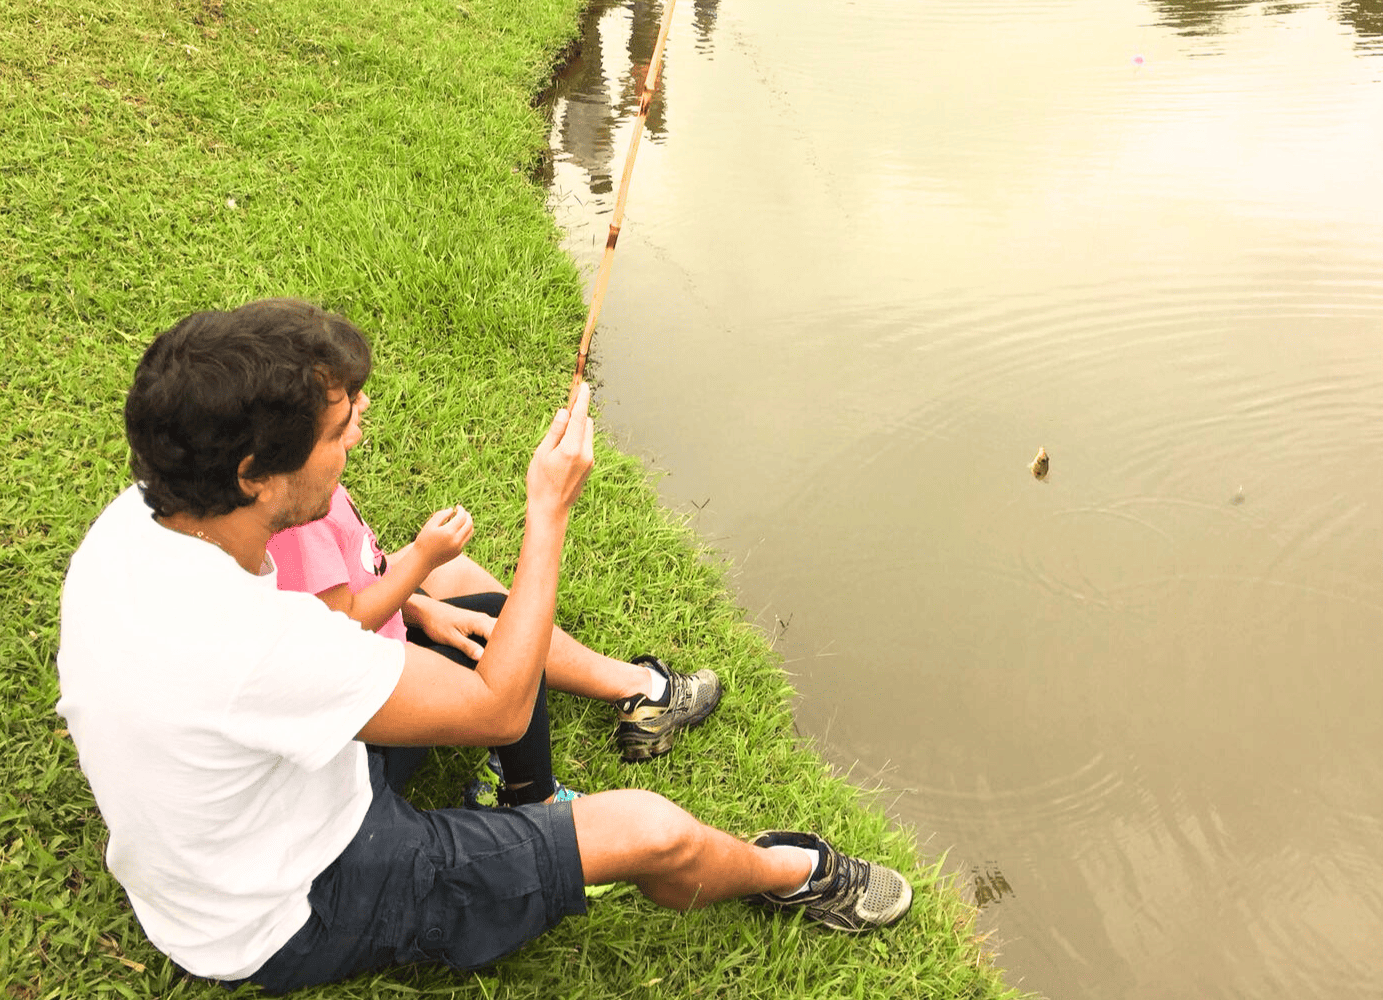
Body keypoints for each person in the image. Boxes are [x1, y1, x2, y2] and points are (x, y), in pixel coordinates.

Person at [56, 299, 911, 994]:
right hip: (294, 906)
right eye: (338, 431)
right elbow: (499, 709)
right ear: (253, 473)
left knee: (456, 599)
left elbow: (313, 640)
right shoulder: (257, 645)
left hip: (268, 803)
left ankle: (627, 696)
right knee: (652, 831)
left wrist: (420, 603)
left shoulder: (136, 526)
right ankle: (789, 873)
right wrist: (549, 511)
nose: (356, 438)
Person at [264, 375, 721, 807]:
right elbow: (337, 628)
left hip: (364, 657)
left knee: (481, 604)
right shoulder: (302, 520)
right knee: (508, 641)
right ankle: (532, 798)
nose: (363, 401)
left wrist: (421, 609)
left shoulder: (297, 486)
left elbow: (348, 586)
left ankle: (638, 690)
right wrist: (422, 557)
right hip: (365, 739)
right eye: (347, 398)